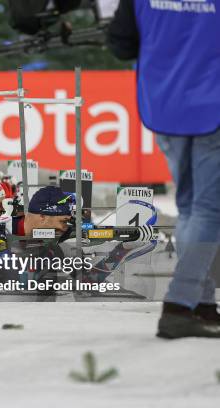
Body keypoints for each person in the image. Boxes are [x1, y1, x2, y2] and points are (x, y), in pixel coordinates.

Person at [108, 0, 220, 338]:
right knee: (207, 209)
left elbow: (121, 45)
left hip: (164, 105)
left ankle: (202, 306)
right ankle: (178, 306)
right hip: (212, 104)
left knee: (189, 208)